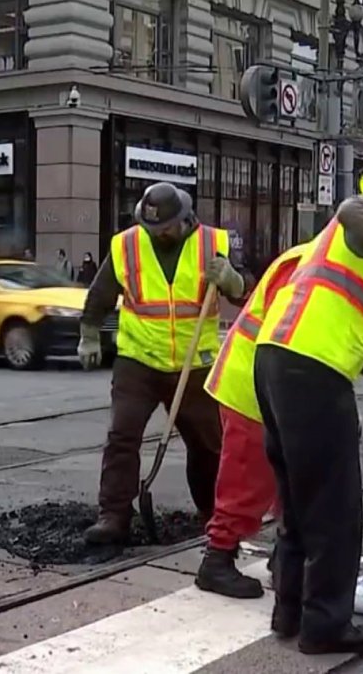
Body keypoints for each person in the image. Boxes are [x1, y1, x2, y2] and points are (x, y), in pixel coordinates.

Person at [253, 159, 363, 654]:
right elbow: (354, 209)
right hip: (309, 374)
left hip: (275, 361)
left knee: (298, 501)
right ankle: (326, 626)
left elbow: (340, 327)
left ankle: (289, 613)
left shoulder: (353, 254)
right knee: (334, 510)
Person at [76, 182, 255, 544]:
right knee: (122, 438)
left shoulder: (213, 244)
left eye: (164, 228)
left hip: (195, 365)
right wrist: (89, 334)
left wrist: (232, 280)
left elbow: (246, 289)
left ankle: (214, 517)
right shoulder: (127, 244)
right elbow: (100, 293)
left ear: (185, 219)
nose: (157, 234)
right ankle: (113, 516)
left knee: (209, 446)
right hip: (138, 360)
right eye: (151, 227)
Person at [195, 241, 310, 599]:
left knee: (293, 480)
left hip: (280, 385)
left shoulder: (316, 257)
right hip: (252, 386)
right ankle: (217, 559)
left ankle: (285, 558)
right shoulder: (314, 264)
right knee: (248, 480)